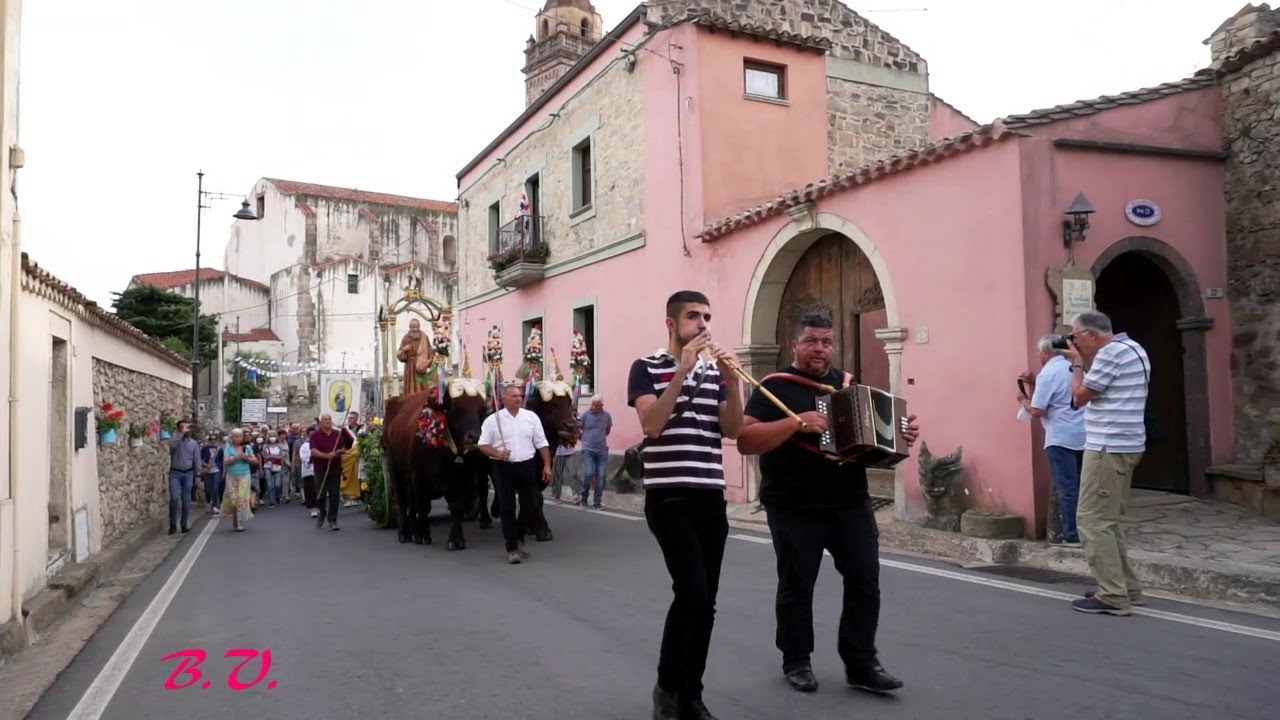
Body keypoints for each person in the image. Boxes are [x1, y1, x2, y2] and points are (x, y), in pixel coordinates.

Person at [737, 312, 918, 696]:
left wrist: (900, 436)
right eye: (812, 342)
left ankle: (862, 662)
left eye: (826, 342)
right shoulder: (775, 387)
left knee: (865, 580)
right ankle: (797, 661)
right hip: (793, 505)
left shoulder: (848, 387)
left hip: (849, 502)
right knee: (797, 585)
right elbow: (746, 440)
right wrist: (793, 424)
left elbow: (868, 449)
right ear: (795, 344)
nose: (820, 349)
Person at [627, 290, 743, 720]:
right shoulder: (646, 368)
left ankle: (691, 693)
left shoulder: (715, 374)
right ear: (672, 324)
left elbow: (733, 431)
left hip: (710, 495)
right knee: (691, 591)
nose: (703, 324)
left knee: (706, 600)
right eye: (694, 316)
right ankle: (667, 687)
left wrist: (731, 379)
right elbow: (651, 424)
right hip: (669, 496)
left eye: (707, 316)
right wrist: (682, 373)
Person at [1064, 310, 1151, 615]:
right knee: (1109, 520)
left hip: (1106, 447)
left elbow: (1079, 397)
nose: (1073, 341)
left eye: (1075, 336)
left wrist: (1076, 365)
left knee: (1090, 520)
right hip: (1128, 444)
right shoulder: (1134, 349)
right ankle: (1126, 586)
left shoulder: (1109, 355)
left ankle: (1112, 595)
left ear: (1091, 334)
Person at [1018, 334, 1086, 546]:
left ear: (1046, 352)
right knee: (1082, 485)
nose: (1037, 355)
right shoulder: (1074, 368)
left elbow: (1038, 410)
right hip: (1082, 433)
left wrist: (1023, 400)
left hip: (1060, 436)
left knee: (1066, 487)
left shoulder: (1048, 374)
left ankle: (1071, 534)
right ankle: (1085, 530)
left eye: (1039, 351)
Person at [478, 383, 553, 564]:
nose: (519, 398)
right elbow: (482, 445)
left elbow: (542, 442)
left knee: (529, 504)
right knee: (507, 507)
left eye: (520, 396)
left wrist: (547, 465)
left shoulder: (531, 417)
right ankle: (511, 547)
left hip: (527, 465)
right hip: (503, 467)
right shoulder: (493, 420)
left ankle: (519, 536)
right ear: (503, 399)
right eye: (514, 396)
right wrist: (497, 453)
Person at [310, 414, 345, 531]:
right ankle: (322, 511)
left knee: (335, 496)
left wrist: (339, 451)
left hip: (335, 469)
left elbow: (344, 448)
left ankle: (332, 520)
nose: (328, 421)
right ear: (321, 422)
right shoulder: (314, 435)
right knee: (320, 495)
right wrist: (326, 456)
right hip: (320, 469)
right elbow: (313, 452)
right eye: (325, 420)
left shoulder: (337, 434)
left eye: (329, 419)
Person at [221, 429, 259, 532]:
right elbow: (225, 462)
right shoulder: (228, 448)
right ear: (232, 438)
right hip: (232, 476)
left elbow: (255, 460)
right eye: (236, 436)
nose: (238, 438)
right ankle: (235, 517)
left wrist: (247, 459)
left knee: (241, 499)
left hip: (244, 475)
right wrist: (236, 458)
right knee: (233, 499)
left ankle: (239, 522)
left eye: (240, 436)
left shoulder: (247, 448)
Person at [167, 420, 200, 535]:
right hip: (175, 473)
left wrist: (198, 474)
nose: (186, 430)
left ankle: (184, 523)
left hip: (188, 474)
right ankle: (172, 524)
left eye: (187, 427)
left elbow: (196, 459)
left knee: (186, 500)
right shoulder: (175, 440)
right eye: (183, 427)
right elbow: (172, 445)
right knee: (174, 499)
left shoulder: (193, 443)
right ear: (178, 429)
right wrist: (181, 434)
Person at [579, 394, 613, 509]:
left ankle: (597, 502)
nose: (593, 407)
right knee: (588, 473)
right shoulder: (585, 415)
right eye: (592, 405)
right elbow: (579, 428)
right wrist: (585, 441)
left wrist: (599, 437)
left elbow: (607, 430)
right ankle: (583, 497)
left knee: (600, 476)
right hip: (587, 449)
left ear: (602, 405)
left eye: (596, 405)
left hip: (602, 450)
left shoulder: (607, 416)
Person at [398, 318, 434, 395]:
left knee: (422, 385)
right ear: (410, 327)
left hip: (421, 364)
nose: (415, 329)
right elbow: (399, 354)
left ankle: (424, 400)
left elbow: (429, 350)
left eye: (417, 327)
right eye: (413, 327)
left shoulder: (424, 337)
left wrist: (429, 361)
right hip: (410, 366)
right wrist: (404, 349)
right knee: (411, 387)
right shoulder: (406, 338)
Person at [340, 412, 362, 506]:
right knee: (348, 477)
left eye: (352, 418)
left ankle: (359, 495)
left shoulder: (361, 429)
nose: (350, 420)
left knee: (360, 476)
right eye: (349, 418)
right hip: (349, 456)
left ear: (356, 419)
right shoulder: (344, 430)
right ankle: (348, 496)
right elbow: (341, 443)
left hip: (360, 457)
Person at [263, 431, 288, 508]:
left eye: (274, 436)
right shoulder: (265, 446)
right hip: (267, 467)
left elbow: (281, 457)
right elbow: (265, 457)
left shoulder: (279, 447)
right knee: (270, 485)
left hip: (277, 467)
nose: (272, 438)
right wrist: (274, 457)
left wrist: (271, 456)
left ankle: (277, 496)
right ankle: (271, 502)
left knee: (277, 484)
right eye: (271, 436)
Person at [201, 433, 223, 515]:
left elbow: (222, 461)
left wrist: (223, 471)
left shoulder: (220, 450)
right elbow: (201, 459)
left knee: (215, 487)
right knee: (207, 488)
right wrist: (206, 465)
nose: (213, 441)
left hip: (217, 470)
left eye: (215, 439)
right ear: (209, 440)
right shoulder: (204, 449)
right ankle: (208, 502)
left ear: (217, 440)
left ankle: (214, 505)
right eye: (211, 439)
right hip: (207, 471)